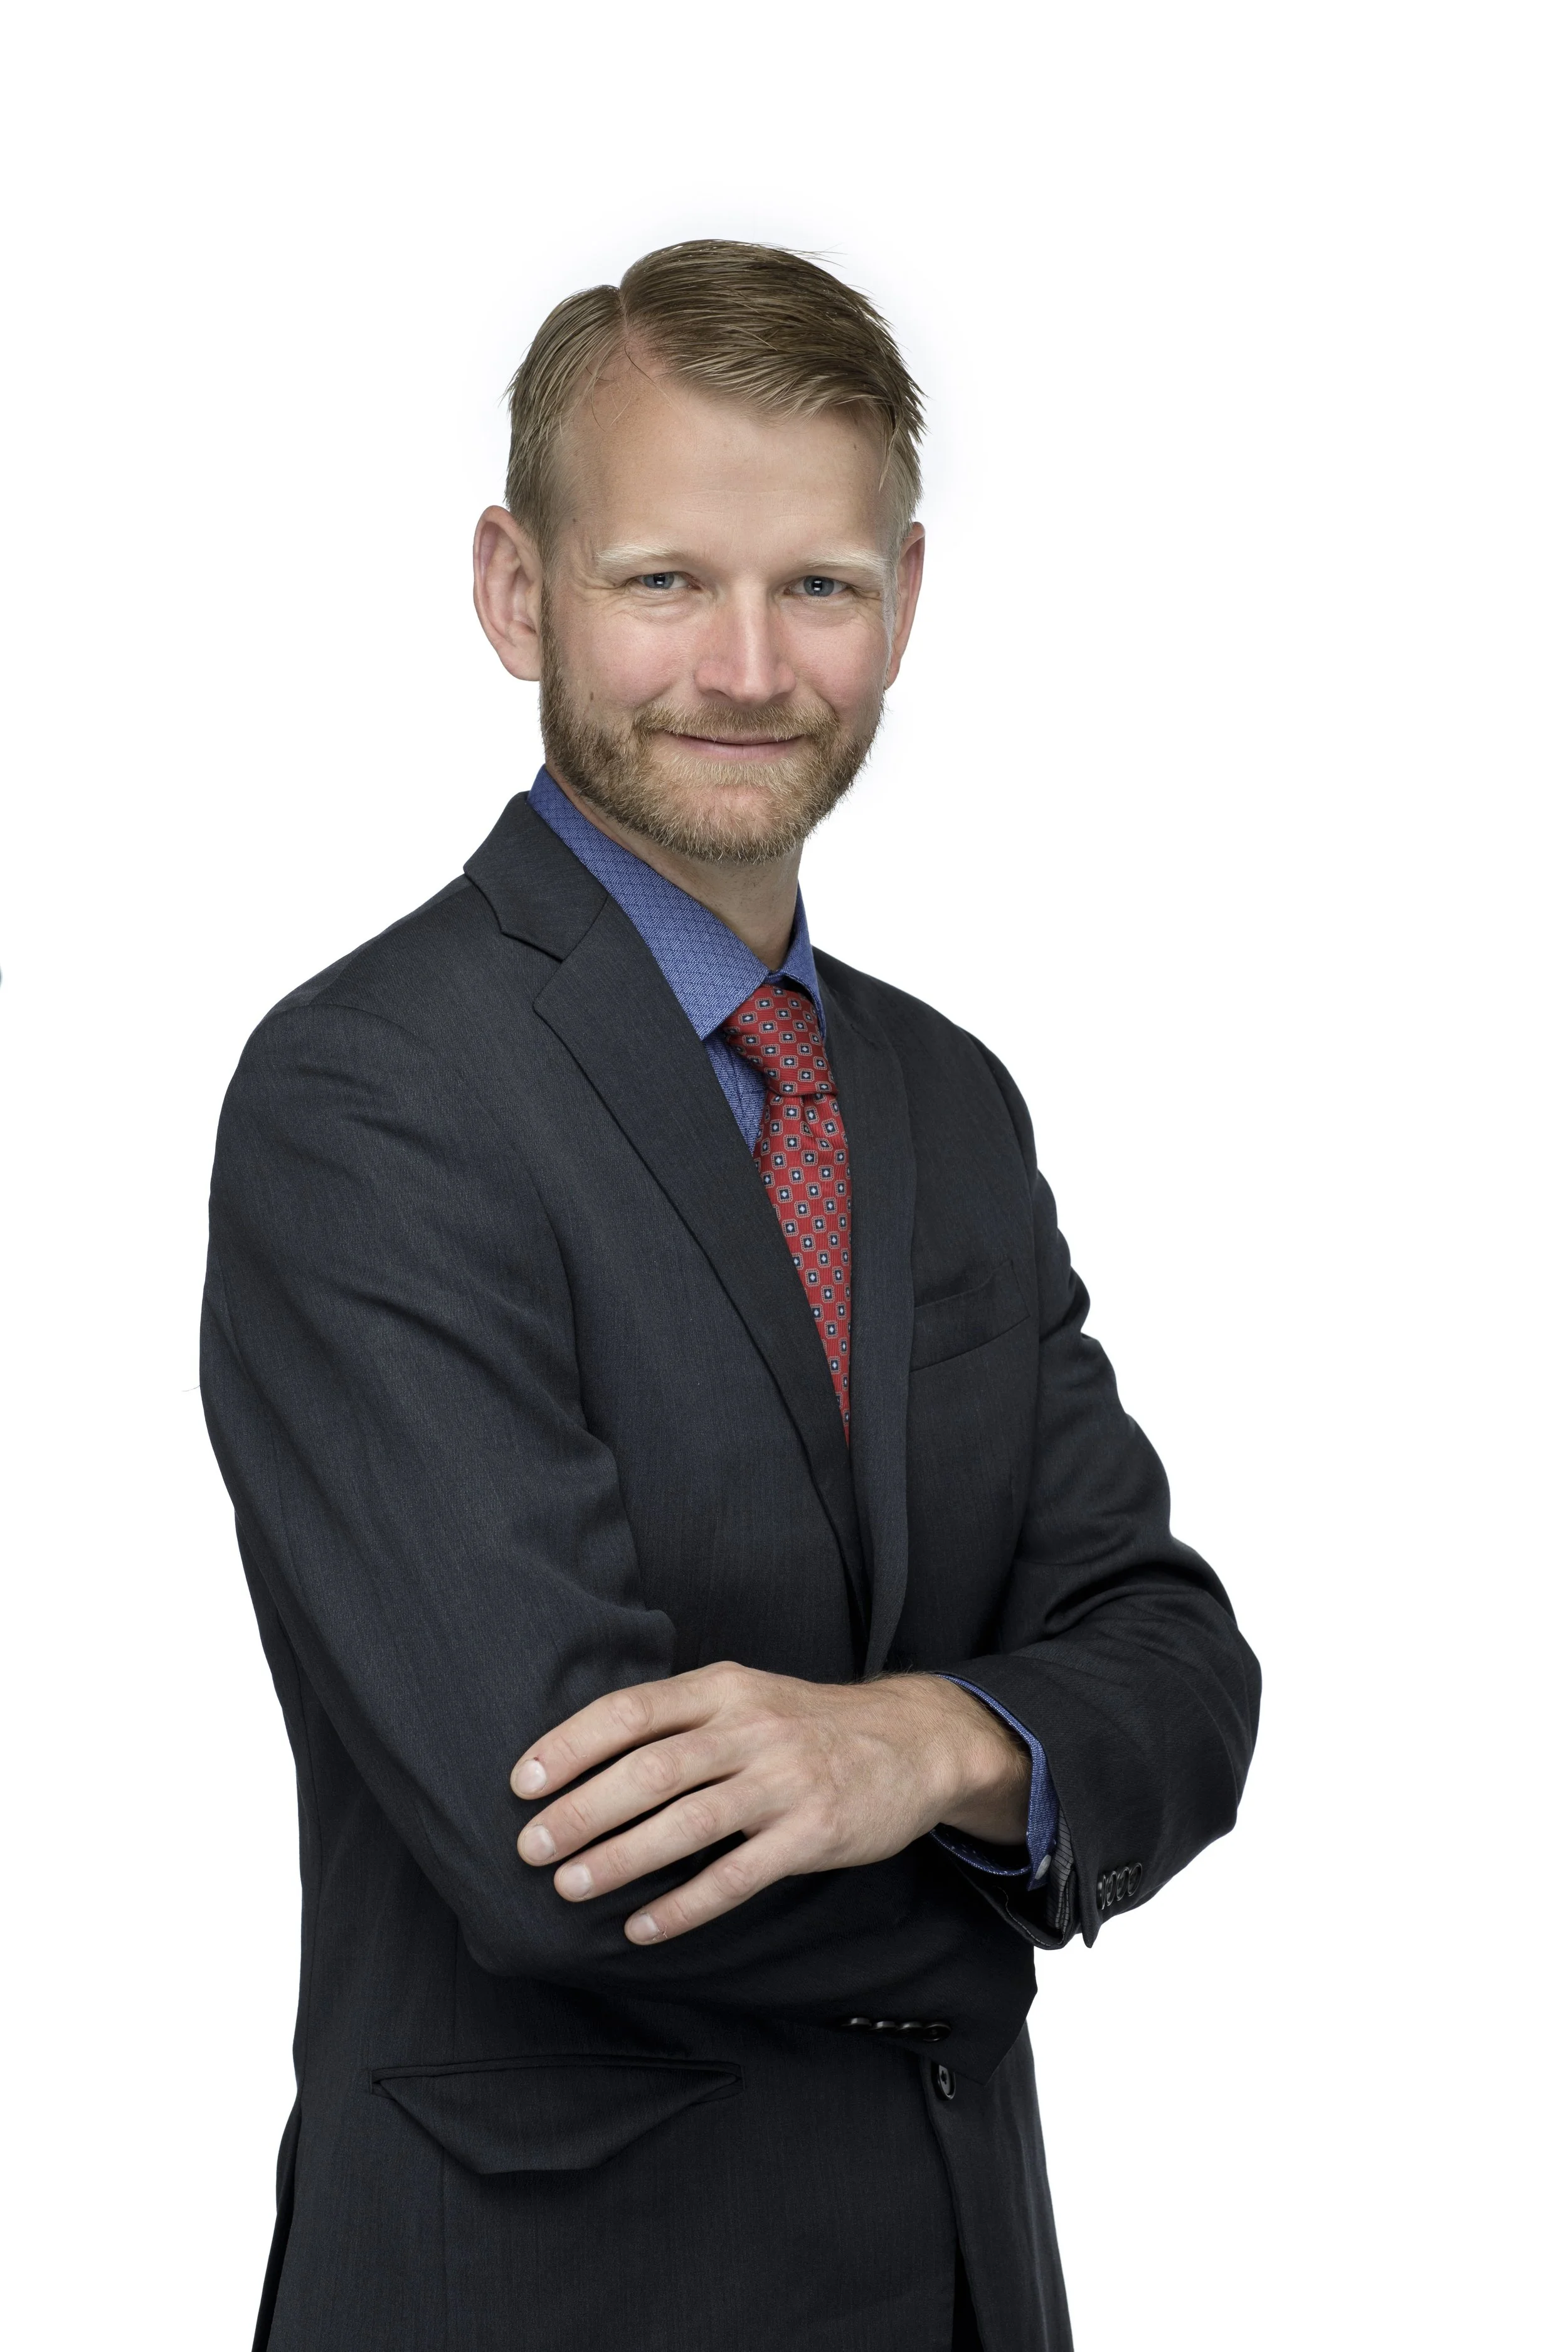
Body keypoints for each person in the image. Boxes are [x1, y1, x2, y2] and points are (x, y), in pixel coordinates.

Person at [202, 240, 1261, 2352]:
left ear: (908, 600)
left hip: (960, 2284)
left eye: (823, 587)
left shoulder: (940, 1099)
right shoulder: (370, 1092)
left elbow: (1175, 1664)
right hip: (547, 2291)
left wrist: (930, 1737)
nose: (750, 666)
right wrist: (1004, 1851)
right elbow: (552, 1846)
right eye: (666, 579)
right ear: (519, 590)